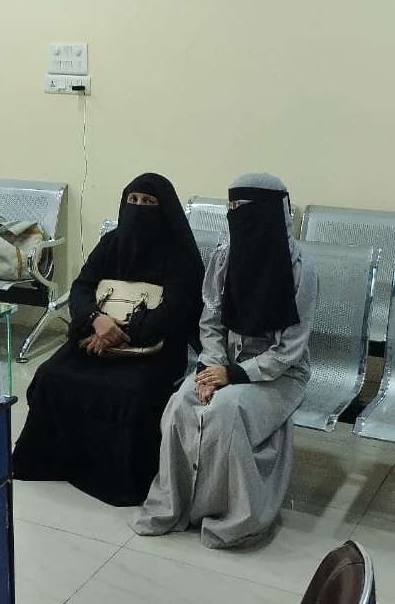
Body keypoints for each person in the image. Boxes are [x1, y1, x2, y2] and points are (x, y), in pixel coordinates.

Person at [130, 172, 318, 549]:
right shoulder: (225, 258)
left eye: (242, 207)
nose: (235, 214)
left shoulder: (299, 271)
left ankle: (234, 516)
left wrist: (233, 375)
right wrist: (210, 368)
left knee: (225, 411)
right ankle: (177, 506)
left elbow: (289, 351)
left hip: (278, 375)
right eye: (230, 206)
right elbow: (211, 323)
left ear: (267, 212)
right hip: (223, 365)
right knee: (180, 403)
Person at [12, 173, 204, 506]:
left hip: (155, 346)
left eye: (149, 202)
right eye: (133, 200)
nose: (139, 207)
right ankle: (55, 462)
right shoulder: (112, 242)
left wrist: (118, 335)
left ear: (165, 209)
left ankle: (119, 480)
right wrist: (96, 320)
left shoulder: (179, 253)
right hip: (96, 334)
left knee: (132, 392)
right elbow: (82, 287)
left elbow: (175, 311)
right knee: (51, 376)